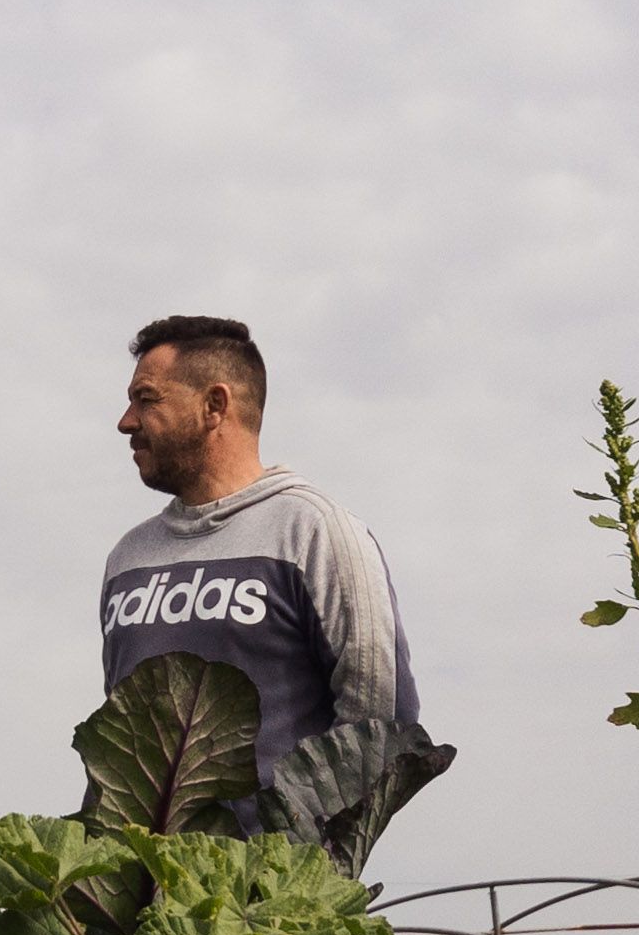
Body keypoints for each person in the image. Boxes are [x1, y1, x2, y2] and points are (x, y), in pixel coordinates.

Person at [102, 315, 419, 788]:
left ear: (214, 405)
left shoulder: (315, 533)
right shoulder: (128, 559)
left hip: (270, 863)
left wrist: (299, 849)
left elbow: (382, 724)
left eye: (146, 400)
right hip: (133, 863)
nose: (126, 422)